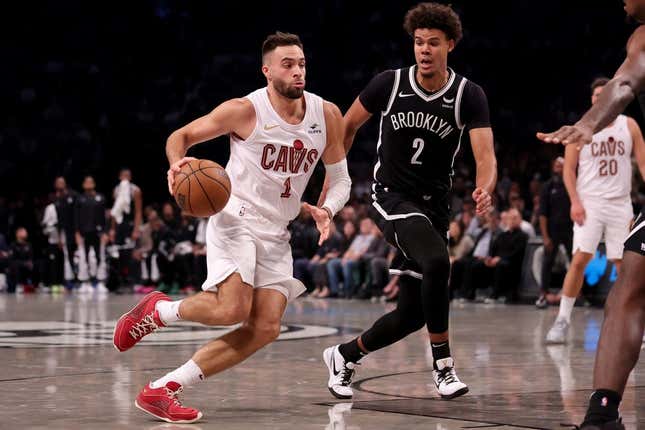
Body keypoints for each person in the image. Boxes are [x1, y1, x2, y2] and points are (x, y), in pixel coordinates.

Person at [112, 31, 350, 423]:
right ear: (267, 70)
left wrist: (327, 208)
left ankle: (163, 389)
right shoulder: (245, 109)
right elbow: (182, 136)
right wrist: (176, 163)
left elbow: (340, 178)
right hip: (235, 217)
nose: (297, 71)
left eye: (302, 63)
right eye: (287, 64)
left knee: (265, 326)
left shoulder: (326, 114)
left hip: (278, 229)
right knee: (231, 308)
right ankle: (159, 310)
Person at [323, 2, 496, 400]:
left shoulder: (469, 95)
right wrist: (335, 184)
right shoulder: (389, 83)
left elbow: (486, 157)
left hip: (434, 208)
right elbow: (346, 129)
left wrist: (485, 187)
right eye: (418, 42)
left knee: (410, 315)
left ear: (450, 44)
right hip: (390, 198)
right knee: (437, 261)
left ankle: (344, 356)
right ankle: (444, 368)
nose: (424, 50)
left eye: (433, 43)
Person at [537, 1, 645, 426]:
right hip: (594, 200)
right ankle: (602, 410)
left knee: (627, 281)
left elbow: (623, 84)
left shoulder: (643, 38)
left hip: (619, 201)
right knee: (624, 277)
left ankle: (602, 414)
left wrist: (586, 123)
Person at [543, 77, 645, 344]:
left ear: (614, 97)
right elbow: (568, 170)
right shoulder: (581, 128)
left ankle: (635, 324)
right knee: (580, 259)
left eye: (604, 93)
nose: (599, 98)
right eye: (595, 94)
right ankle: (562, 320)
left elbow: (643, 163)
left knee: (627, 265)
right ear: (591, 100)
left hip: (621, 202)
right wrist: (575, 201)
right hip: (590, 203)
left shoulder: (629, 125)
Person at [536, 156, 572, 308]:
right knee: (547, 262)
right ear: (553, 167)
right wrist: (545, 236)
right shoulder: (548, 186)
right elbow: (542, 213)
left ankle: (577, 294)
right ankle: (543, 294)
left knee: (576, 262)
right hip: (552, 230)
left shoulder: (572, 184)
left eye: (562, 164)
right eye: (556, 164)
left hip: (571, 229)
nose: (559, 167)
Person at [75, 175, 109, 294]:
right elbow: (76, 217)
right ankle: (86, 281)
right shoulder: (80, 199)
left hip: (98, 233)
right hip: (84, 233)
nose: (89, 184)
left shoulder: (100, 198)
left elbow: (104, 217)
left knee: (98, 257)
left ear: (94, 184)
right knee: (84, 257)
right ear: (84, 185)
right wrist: (77, 232)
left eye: (91, 182)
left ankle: (99, 281)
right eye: (86, 182)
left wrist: (105, 232)